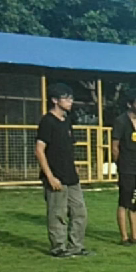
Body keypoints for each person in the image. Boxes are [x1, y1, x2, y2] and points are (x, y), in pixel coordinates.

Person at [35, 82, 91, 258]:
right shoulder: (47, 121)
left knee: (79, 211)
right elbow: (39, 150)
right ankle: (58, 247)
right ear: (55, 100)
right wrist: (50, 176)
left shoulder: (67, 121)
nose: (70, 101)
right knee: (58, 213)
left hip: (71, 176)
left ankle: (76, 246)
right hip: (55, 176)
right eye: (66, 98)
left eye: (71, 98)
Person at [110, 87, 136, 245]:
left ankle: (135, 235)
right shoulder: (120, 122)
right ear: (130, 104)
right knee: (124, 202)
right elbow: (115, 146)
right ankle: (124, 237)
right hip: (126, 168)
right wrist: (120, 165)